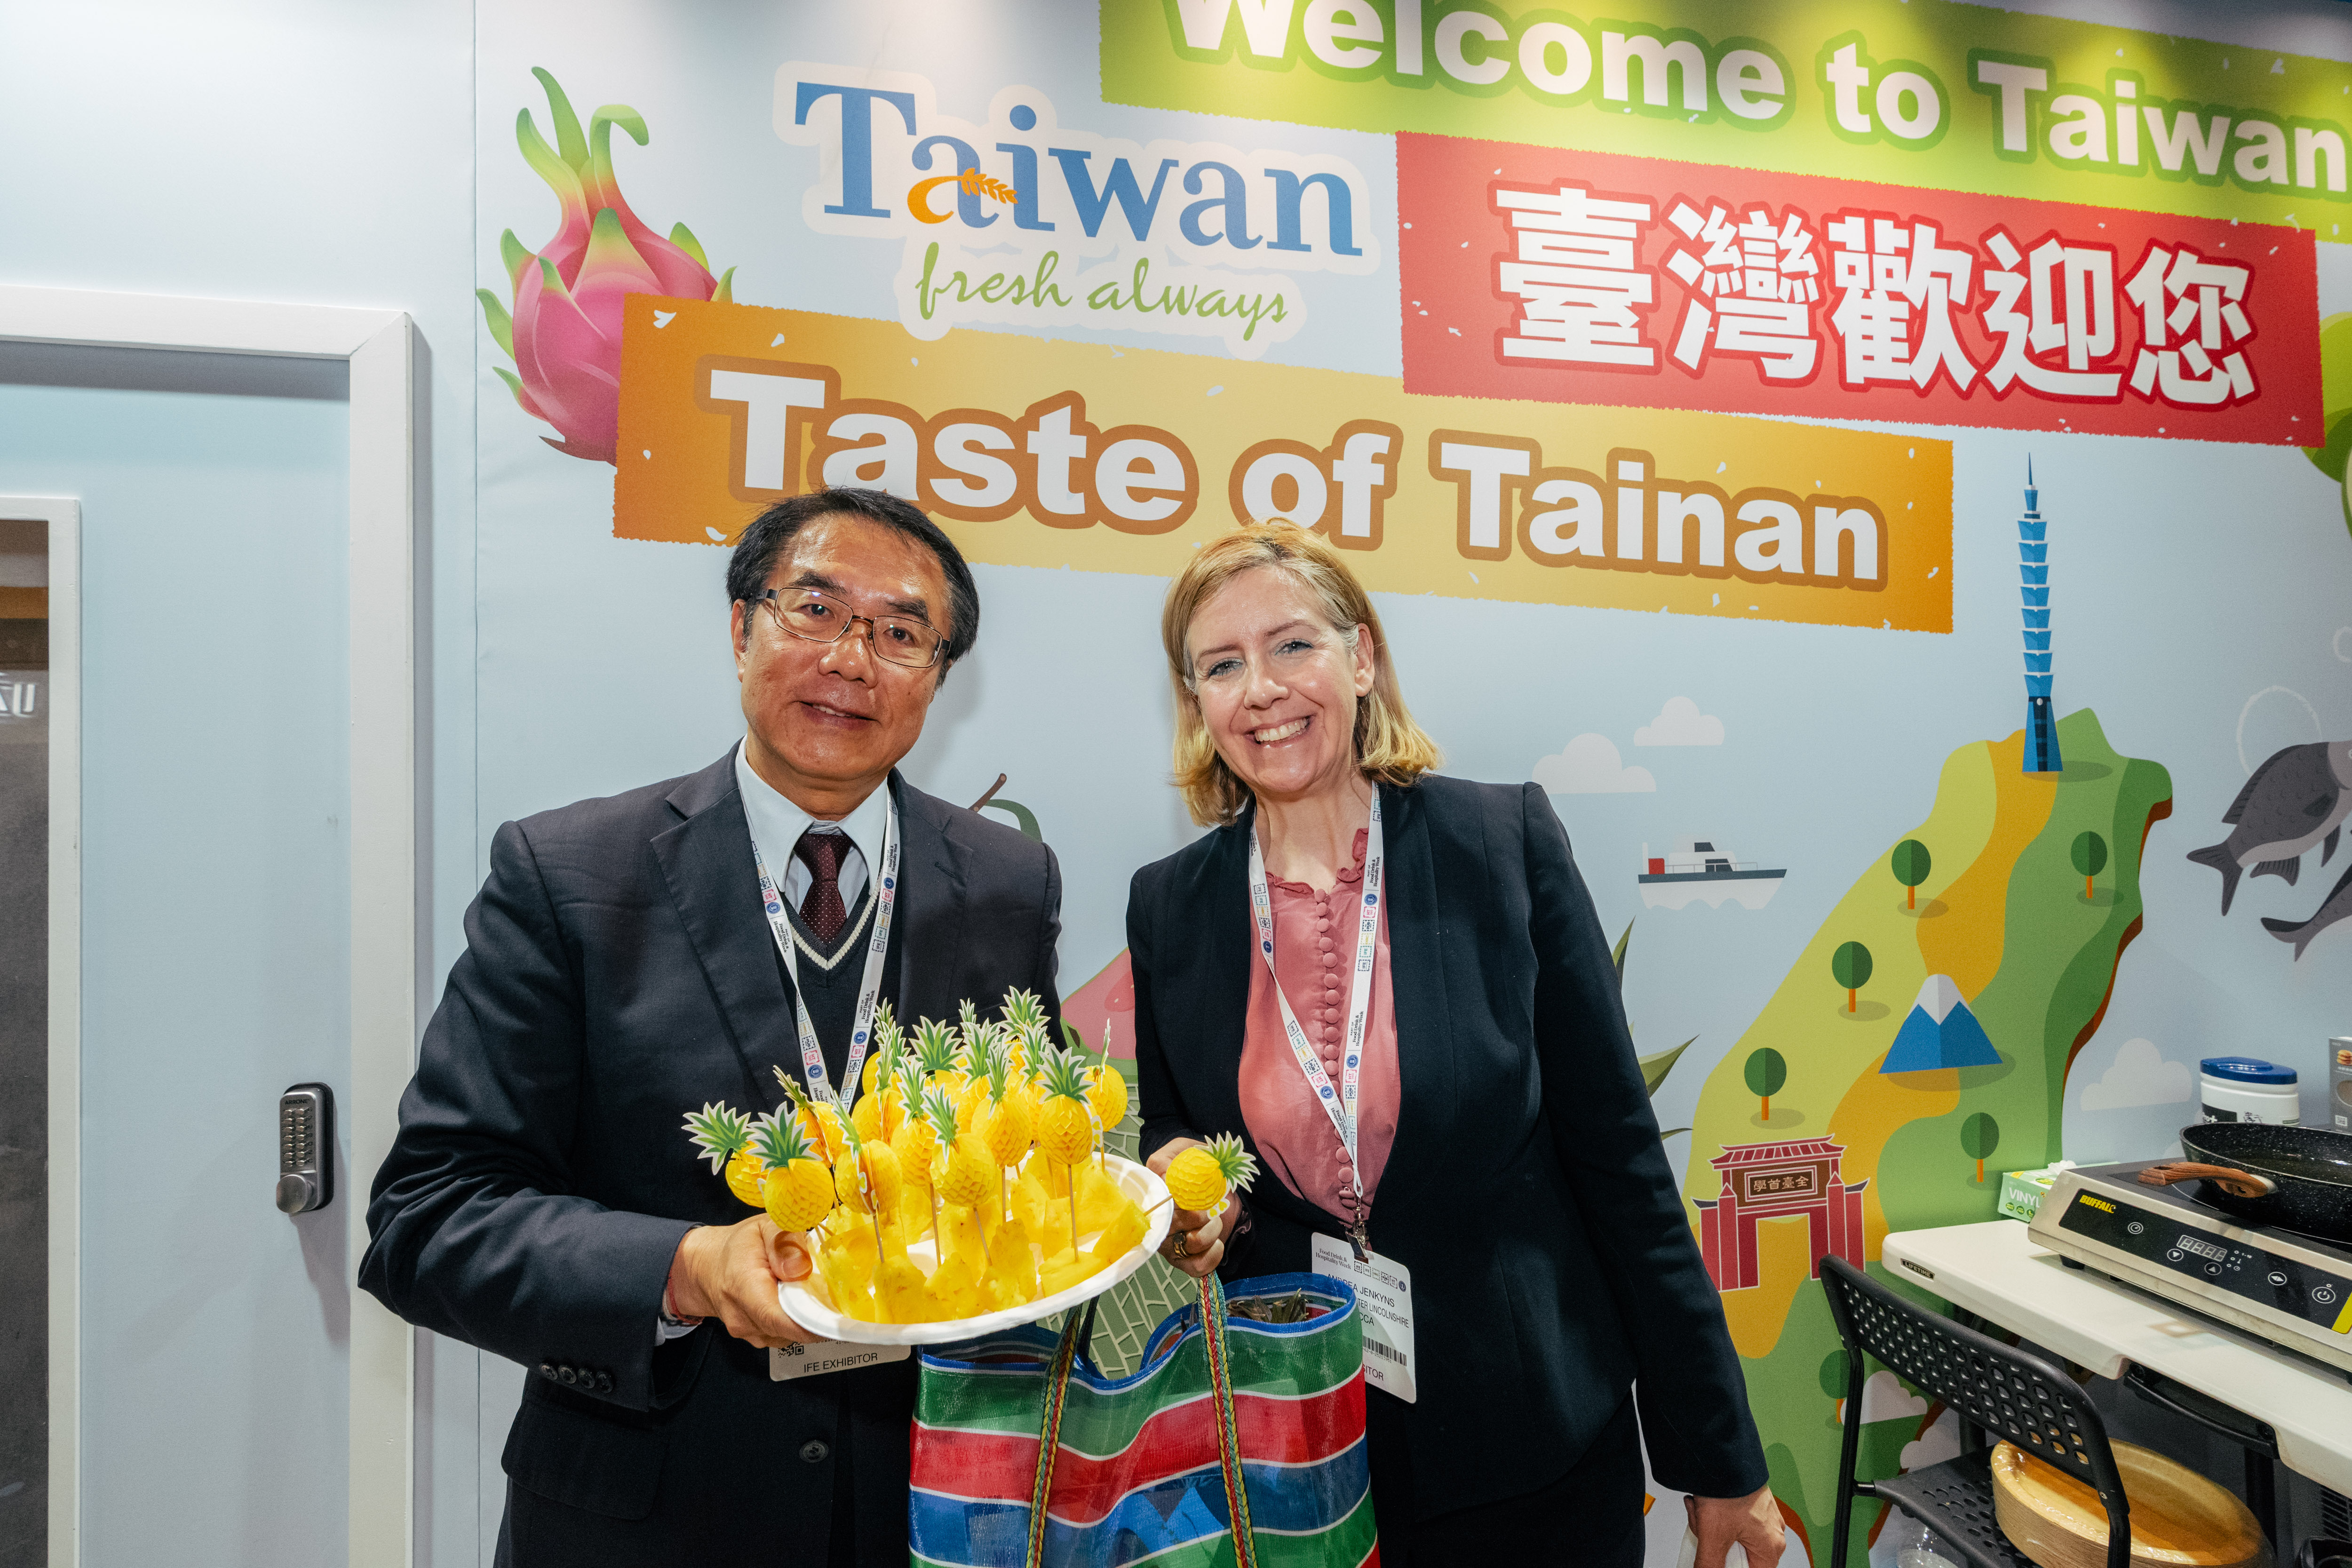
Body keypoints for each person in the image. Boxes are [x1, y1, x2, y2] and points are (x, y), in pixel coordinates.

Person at [359, 487, 1065, 1568]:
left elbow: (1023, 1163)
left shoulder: (1008, 881)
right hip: (644, 1513)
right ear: (742, 627)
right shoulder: (569, 874)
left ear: (938, 675)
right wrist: (686, 1266)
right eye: (814, 610)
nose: (851, 658)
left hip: (926, 1509)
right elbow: (430, 1216)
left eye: (900, 632)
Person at [1130, 523, 1780, 1568]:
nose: (1262, 689)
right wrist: (1192, 1196)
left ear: (1361, 657)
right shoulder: (1168, 904)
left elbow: (1621, 1162)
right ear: (1196, 700)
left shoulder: (1501, 844)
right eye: (1222, 664)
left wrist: (1718, 1454)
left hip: (1534, 1451)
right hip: (1305, 1451)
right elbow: (1175, 1124)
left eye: (1293, 645)